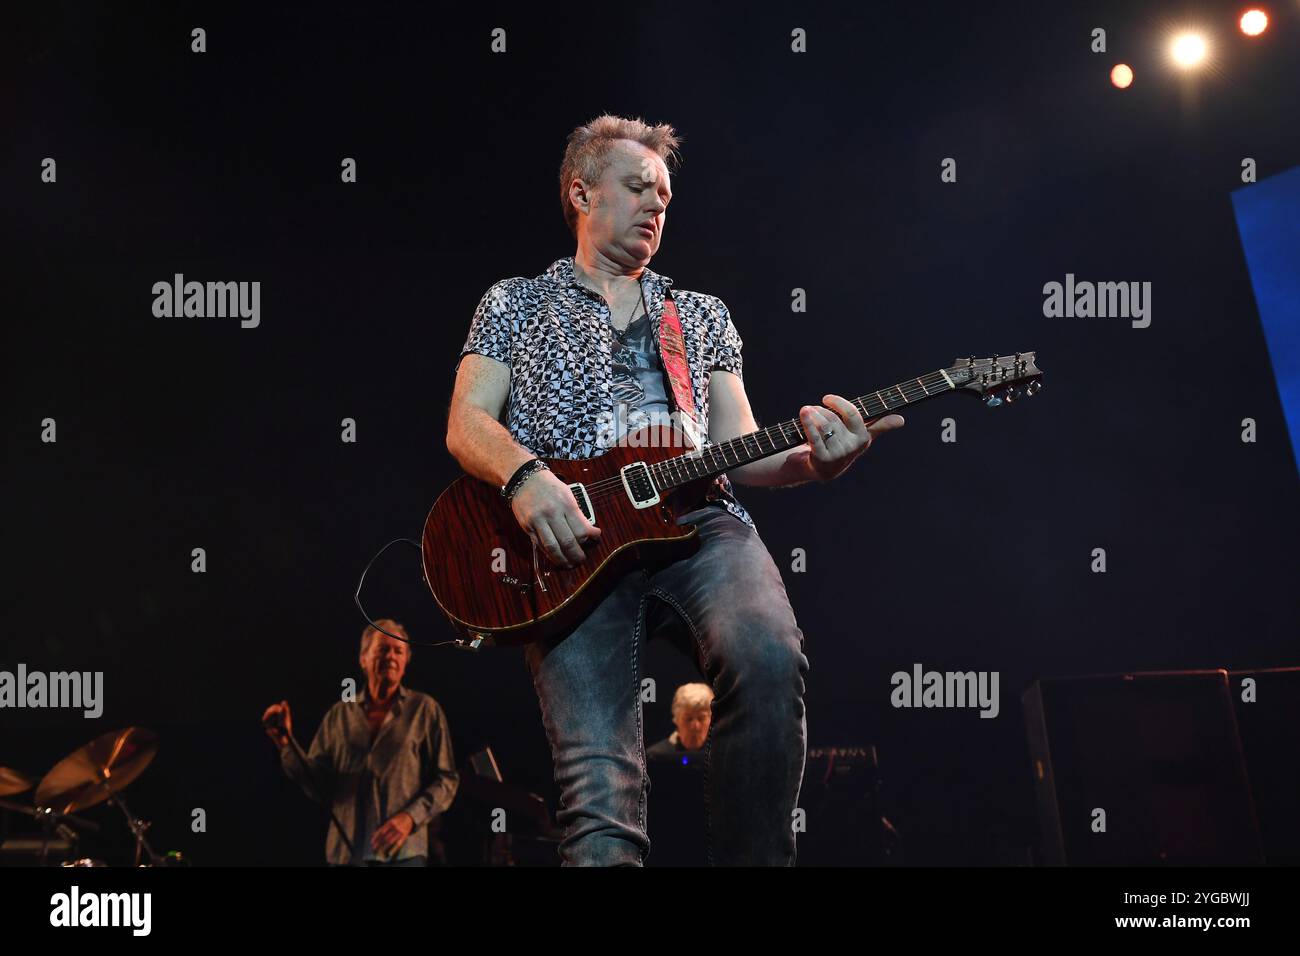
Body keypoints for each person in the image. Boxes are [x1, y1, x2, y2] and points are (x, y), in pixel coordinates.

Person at [445, 114, 904, 866]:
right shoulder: (515, 303)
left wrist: (821, 462)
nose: (657, 206)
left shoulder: (697, 315)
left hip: (697, 522)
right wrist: (526, 477)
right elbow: (467, 424)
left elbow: (742, 451)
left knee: (766, 655)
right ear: (581, 192)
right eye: (637, 188)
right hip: (571, 546)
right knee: (599, 798)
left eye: (665, 195)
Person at [262, 619, 459, 866]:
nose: (391, 656)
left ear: (406, 661)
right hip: (346, 853)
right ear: (363, 659)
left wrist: (410, 818)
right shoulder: (338, 715)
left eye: (398, 650)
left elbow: (447, 779)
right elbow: (318, 787)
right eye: (382, 649)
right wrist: (285, 744)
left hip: (403, 855)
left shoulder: (424, 710)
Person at [646, 683, 713, 762]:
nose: (695, 726)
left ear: (711, 720)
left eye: (701, 718)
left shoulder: (721, 755)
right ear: (676, 719)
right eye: (688, 719)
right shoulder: (655, 757)